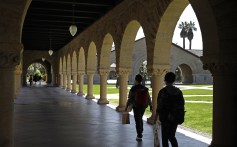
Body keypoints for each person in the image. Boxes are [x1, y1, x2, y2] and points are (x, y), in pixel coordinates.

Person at [154, 72, 184, 147]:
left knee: (165, 137)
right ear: (173, 80)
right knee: (171, 136)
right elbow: (182, 104)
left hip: (165, 117)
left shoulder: (163, 92)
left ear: (165, 80)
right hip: (175, 117)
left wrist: (155, 117)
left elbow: (159, 105)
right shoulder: (178, 92)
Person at [125, 74, 152, 141]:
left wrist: (127, 106)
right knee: (140, 117)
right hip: (143, 106)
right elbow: (148, 97)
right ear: (141, 80)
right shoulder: (144, 88)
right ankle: (141, 130)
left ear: (136, 80)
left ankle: (139, 135)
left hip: (136, 106)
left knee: (137, 120)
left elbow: (130, 98)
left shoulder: (133, 88)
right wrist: (151, 105)